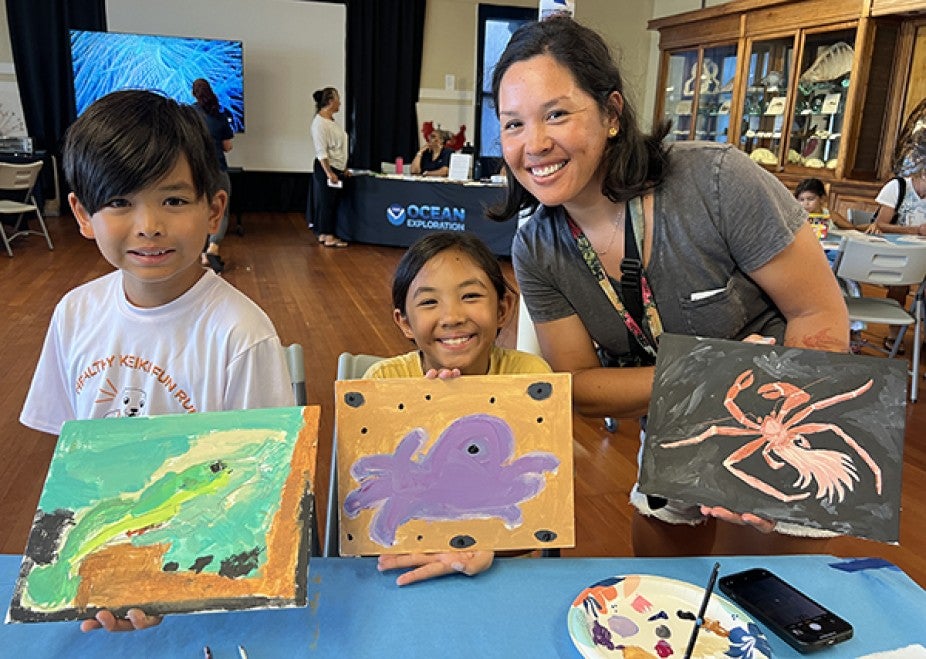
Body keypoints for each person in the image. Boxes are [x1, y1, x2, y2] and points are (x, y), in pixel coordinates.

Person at [488, 16, 849, 557]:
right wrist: (701, 376)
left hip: (783, 422)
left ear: (611, 113)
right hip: (676, 423)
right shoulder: (539, 248)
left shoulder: (718, 184)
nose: (534, 144)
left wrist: (768, 450)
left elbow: (819, 316)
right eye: (513, 124)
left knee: (768, 601)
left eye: (556, 114)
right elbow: (577, 386)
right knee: (665, 592)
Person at [19, 89, 294, 632]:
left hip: (202, 576)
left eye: (173, 201)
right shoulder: (75, 314)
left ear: (213, 210)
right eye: (119, 202)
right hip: (99, 569)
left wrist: (172, 583)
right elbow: (69, 462)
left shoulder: (241, 334)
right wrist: (84, 565)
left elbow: (262, 484)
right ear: (82, 213)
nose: (148, 224)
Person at [364, 231, 551, 585]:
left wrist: (484, 547)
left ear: (503, 309)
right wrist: (426, 411)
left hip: (501, 568)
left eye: (470, 296)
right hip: (403, 564)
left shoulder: (530, 379)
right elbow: (372, 517)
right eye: (429, 302)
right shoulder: (384, 384)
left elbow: (538, 510)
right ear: (404, 321)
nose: (451, 316)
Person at [869, 139, 926, 354]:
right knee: (900, 284)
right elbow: (881, 225)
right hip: (896, 252)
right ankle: (894, 334)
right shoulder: (898, 187)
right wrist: (915, 231)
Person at [192, 78, 234, 273]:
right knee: (221, 209)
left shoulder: (190, 115)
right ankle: (213, 247)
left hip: (196, 170)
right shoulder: (219, 115)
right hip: (218, 168)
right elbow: (228, 146)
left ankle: (200, 252)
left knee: (199, 208)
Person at [310, 86, 350, 248]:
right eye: (338, 99)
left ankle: (323, 232)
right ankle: (327, 235)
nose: (340, 103)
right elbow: (322, 151)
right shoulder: (319, 124)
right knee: (327, 203)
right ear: (330, 101)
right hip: (327, 168)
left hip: (337, 167)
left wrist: (343, 167)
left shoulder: (331, 122)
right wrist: (329, 172)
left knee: (331, 202)